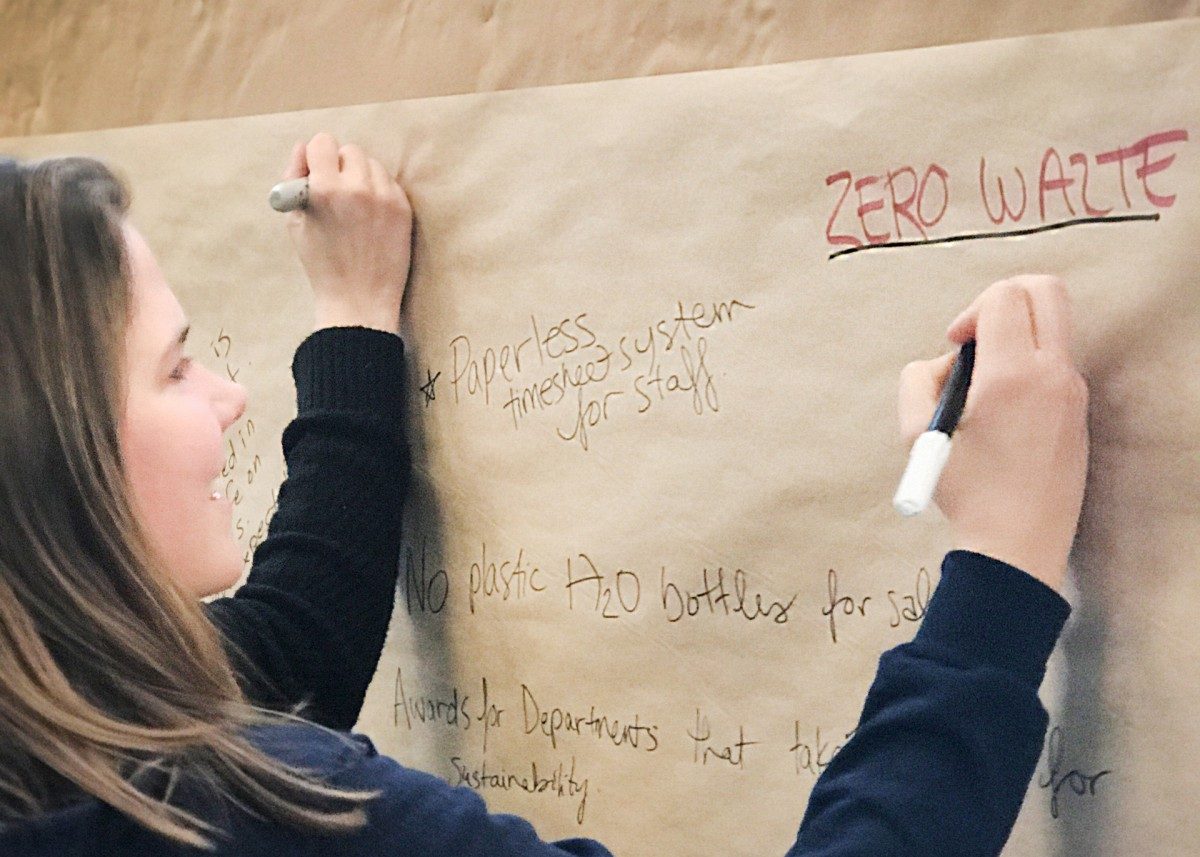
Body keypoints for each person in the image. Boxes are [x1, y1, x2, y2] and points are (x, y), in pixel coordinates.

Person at [0, 133, 1087, 856]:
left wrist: (354, 319)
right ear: (55, 457)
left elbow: (290, 649)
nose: (228, 394)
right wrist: (1002, 566)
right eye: (177, 367)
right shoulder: (228, 806)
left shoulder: (54, 739)